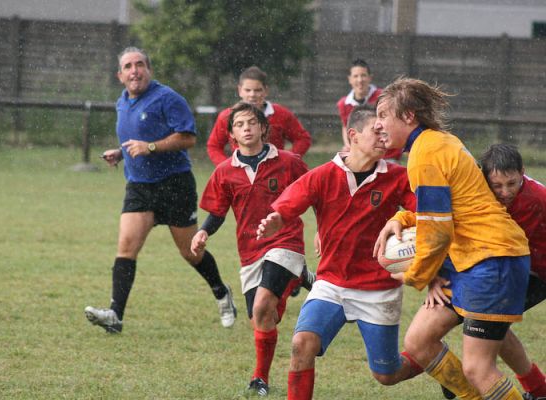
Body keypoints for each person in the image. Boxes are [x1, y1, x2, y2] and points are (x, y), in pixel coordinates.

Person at [373, 77, 531, 400]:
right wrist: (401, 217)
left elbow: (437, 231)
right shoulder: (435, 143)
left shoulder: (426, 153)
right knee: (418, 341)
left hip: (490, 259)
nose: (378, 124)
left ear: (408, 116)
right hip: (471, 261)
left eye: (383, 114)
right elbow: (448, 210)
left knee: (478, 368)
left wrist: (416, 275)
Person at [257, 105, 419, 400]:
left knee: (387, 374)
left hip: (378, 288)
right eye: (377, 131)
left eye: (386, 131)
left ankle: (432, 360)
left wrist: (403, 222)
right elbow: (289, 205)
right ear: (354, 136)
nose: (385, 137)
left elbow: (425, 213)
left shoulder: (398, 177)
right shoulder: (322, 175)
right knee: (302, 343)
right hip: (331, 283)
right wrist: (276, 219)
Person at [84, 47, 236, 333]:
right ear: (120, 76)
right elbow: (138, 138)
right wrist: (121, 153)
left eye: (139, 64)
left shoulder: (167, 98)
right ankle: (115, 316)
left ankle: (221, 292)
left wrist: (150, 148)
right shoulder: (122, 102)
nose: (134, 71)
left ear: (149, 70)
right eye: (128, 66)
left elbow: (188, 138)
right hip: (140, 186)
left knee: (190, 252)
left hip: (175, 184)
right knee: (126, 247)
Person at [191, 102, 314, 396]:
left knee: (262, 305)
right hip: (250, 253)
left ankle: (258, 377)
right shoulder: (225, 172)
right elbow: (218, 212)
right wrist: (203, 231)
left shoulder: (288, 162)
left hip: (286, 242)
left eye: (251, 123)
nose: (246, 128)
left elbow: (315, 192)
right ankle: (299, 277)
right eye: (239, 125)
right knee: (261, 317)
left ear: (263, 128)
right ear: (232, 134)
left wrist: (324, 231)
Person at [408, 143, 546, 400]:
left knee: (488, 321)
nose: (505, 192)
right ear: (484, 178)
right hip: (490, 265)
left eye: (512, 184)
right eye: (497, 185)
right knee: (491, 324)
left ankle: (472, 381)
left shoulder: (534, 200)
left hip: (533, 271)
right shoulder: (478, 191)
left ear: (523, 173)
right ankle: (536, 389)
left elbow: (494, 245)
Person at [206, 66, 311, 166]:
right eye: (248, 90)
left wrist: (287, 160)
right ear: (239, 90)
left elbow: (302, 139)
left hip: (275, 174)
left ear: (266, 91)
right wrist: (227, 167)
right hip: (241, 174)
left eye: (257, 90)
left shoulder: (281, 114)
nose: (252, 95)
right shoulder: (227, 116)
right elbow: (214, 146)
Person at [336, 59, 401, 161]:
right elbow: (346, 126)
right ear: (350, 79)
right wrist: (348, 145)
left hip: (386, 154)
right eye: (356, 76)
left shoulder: (383, 98)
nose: (360, 80)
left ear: (370, 78)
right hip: (360, 154)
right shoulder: (343, 104)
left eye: (363, 75)